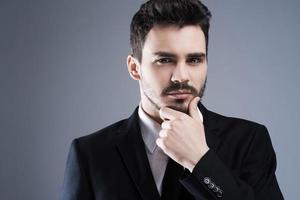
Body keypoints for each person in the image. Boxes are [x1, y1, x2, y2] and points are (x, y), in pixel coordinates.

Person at [61, 0, 284, 199]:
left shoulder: (249, 141)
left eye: (194, 59)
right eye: (165, 60)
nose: (181, 77)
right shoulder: (90, 154)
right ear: (134, 67)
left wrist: (200, 161)